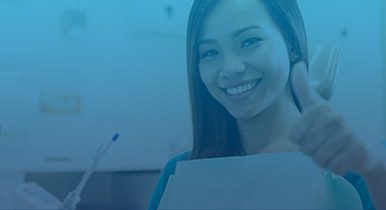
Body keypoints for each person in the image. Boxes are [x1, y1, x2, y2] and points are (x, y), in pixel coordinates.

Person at [148, 0, 386, 209]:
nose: (230, 68)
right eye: (210, 53)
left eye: (249, 41)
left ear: (291, 44)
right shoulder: (178, 173)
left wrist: (375, 171)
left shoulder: (356, 168)